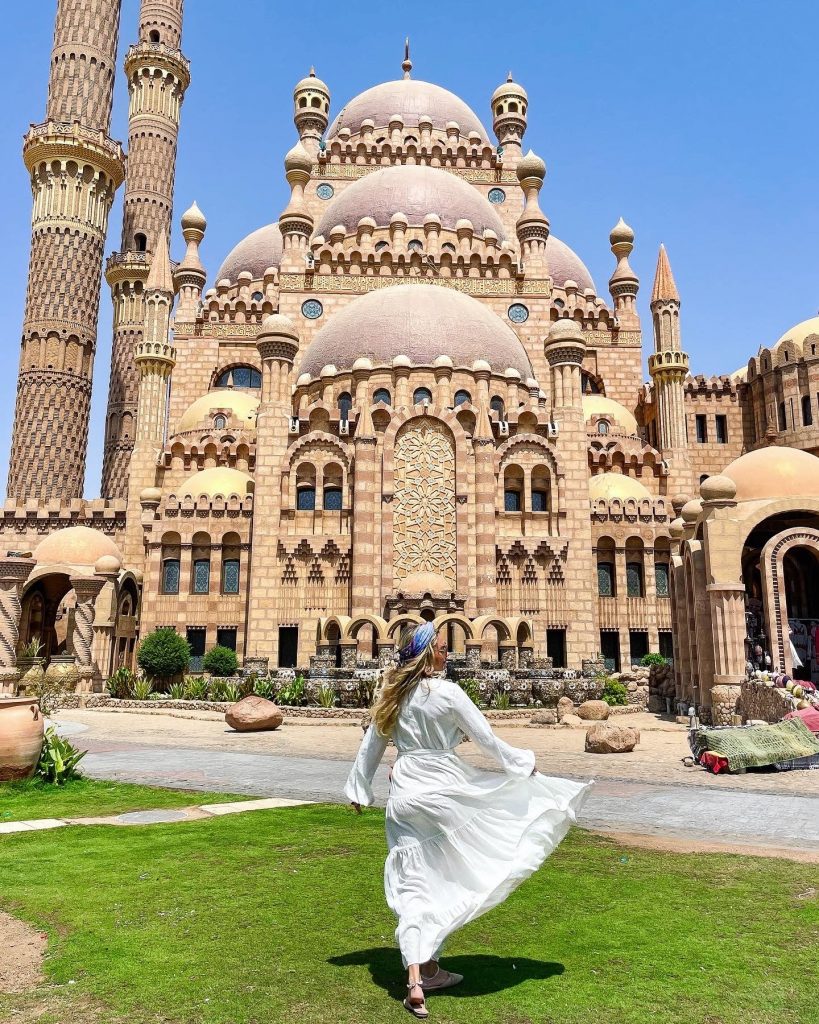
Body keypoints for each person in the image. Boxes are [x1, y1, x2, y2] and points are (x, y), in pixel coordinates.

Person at [344, 621, 592, 1018]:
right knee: (447, 872)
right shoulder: (448, 693)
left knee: (414, 880)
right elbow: (486, 738)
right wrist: (521, 764)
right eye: (441, 648)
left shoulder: (392, 693)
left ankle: (419, 974)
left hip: (405, 792)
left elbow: (371, 744)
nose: (447, 653)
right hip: (444, 789)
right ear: (427, 654)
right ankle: (425, 968)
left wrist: (358, 790)